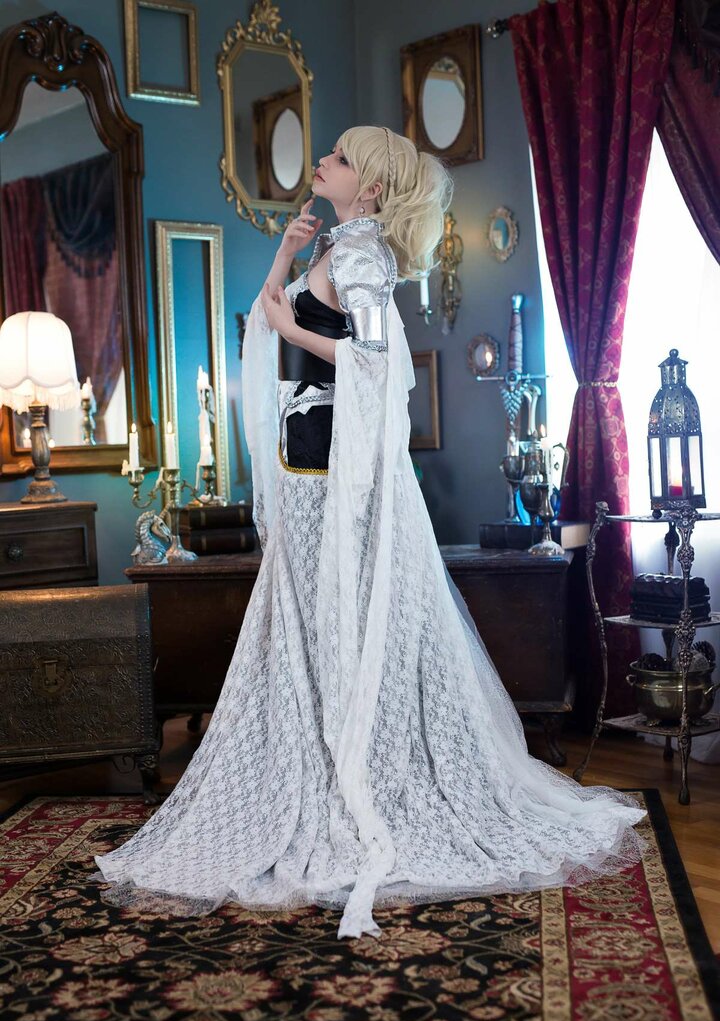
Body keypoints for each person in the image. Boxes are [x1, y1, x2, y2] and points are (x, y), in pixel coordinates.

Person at [90, 125, 648, 940]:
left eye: (342, 158)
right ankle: (312, 772)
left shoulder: (362, 256)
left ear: (373, 188)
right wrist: (284, 253)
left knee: (336, 624)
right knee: (309, 626)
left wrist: (292, 330)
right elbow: (267, 318)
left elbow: (374, 363)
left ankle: (351, 780)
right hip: (307, 469)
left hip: (331, 478)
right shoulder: (337, 245)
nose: (326, 161)